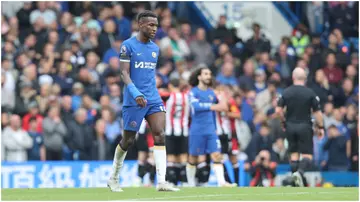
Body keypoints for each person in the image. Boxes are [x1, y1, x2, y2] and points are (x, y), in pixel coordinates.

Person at [107, 10, 179, 192]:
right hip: (133, 99)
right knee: (128, 140)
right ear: (140, 25)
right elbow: (124, 73)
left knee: (160, 133)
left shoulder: (155, 49)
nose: (154, 29)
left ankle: (161, 181)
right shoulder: (127, 46)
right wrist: (135, 92)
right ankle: (114, 177)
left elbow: (148, 75)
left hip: (153, 98)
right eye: (150, 25)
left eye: (156, 25)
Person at [186, 66, 236, 187]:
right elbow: (196, 107)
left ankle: (222, 182)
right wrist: (213, 106)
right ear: (199, 76)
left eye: (209, 74)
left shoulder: (213, 93)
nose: (208, 76)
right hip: (197, 130)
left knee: (216, 155)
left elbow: (224, 107)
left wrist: (222, 97)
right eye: (206, 74)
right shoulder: (193, 92)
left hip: (211, 129)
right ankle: (190, 183)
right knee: (193, 157)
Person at [276, 67, 324, 187]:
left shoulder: (286, 92)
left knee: (294, 154)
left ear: (293, 78)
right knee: (307, 155)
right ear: (305, 78)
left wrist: (283, 121)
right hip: (305, 126)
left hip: (290, 126)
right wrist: (321, 127)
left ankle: (295, 181)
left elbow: (278, 110)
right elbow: (317, 113)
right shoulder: (310, 93)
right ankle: (300, 173)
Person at [165, 78, 190, 186]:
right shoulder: (186, 97)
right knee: (183, 157)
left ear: (170, 85)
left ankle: (171, 181)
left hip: (170, 131)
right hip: (184, 130)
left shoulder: (167, 96)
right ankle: (184, 181)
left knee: (171, 157)